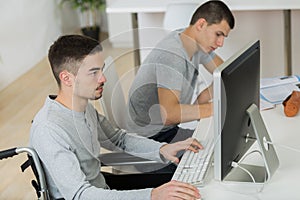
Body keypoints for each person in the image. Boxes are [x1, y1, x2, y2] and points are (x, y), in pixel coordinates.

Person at [29, 34, 203, 200]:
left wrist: (162, 149)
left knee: (184, 187)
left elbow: (118, 139)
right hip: (87, 195)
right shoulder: (49, 129)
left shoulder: (83, 108)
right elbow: (79, 195)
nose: (103, 78)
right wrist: (152, 195)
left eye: (102, 70)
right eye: (93, 72)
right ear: (67, 78)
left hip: (101, 188)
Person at [127, 0, 235, 143]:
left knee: (221, 143)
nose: (220, 43)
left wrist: (205, 95)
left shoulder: (193, 41)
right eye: (218, 34)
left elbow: (224, 72)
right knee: (218, 152)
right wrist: (213, 108)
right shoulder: (172, 56)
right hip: (149, 141)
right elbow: (169, 115)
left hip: (167, 131)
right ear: (201, 24)